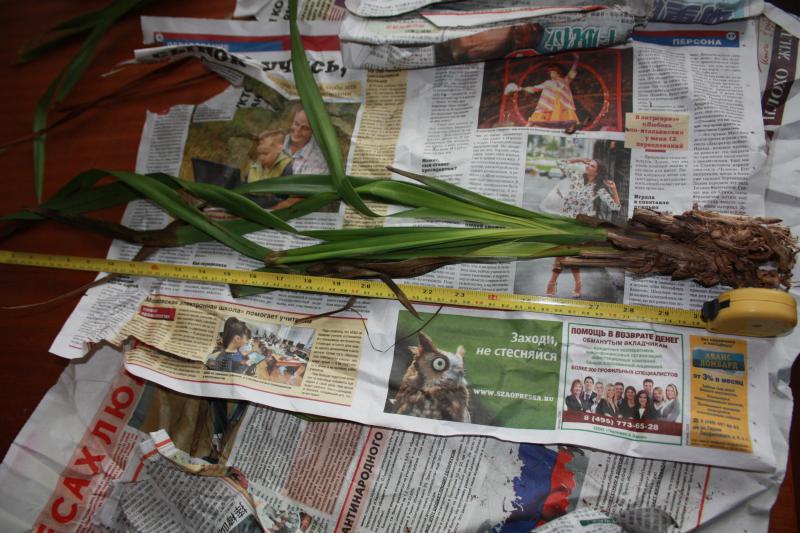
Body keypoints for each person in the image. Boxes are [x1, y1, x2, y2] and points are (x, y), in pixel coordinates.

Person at [545, 157, 621, 298]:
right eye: (588, 164)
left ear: (597, 172)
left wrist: (614, 189)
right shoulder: (576, 176)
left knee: (571, 254)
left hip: (579, 226)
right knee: (561, 252)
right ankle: (565, 283)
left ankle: (556, 283)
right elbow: (560, 162)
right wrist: (578, 160)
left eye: (591, 166)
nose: (587, 166)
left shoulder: (598, 189)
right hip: (565, 222)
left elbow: (615, 207)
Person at [506, 53, 580, 129]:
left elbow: (572, 71)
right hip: (548, 106)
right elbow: (534, 88)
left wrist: (576, 60)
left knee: (568, 121)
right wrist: (521, 88)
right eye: (550, 72)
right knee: (535, 119)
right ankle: (525, 129)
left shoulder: (565, 81)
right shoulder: (547, 83)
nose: (550, 74)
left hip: (562, 106)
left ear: (557, 73)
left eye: (552, 72)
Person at [245, 129, 294, 209]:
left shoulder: (288, 168)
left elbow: (284, 198)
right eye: (259, 154)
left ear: (279, 149)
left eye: (265, 153)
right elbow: (244, 188)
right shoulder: (254, 166)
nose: (261, 158)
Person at [284, 108, 328, 175]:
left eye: (305, 128)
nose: (297, 131)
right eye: (296, 124)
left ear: (313, 131)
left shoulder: (319, 161)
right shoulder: (278, 140)